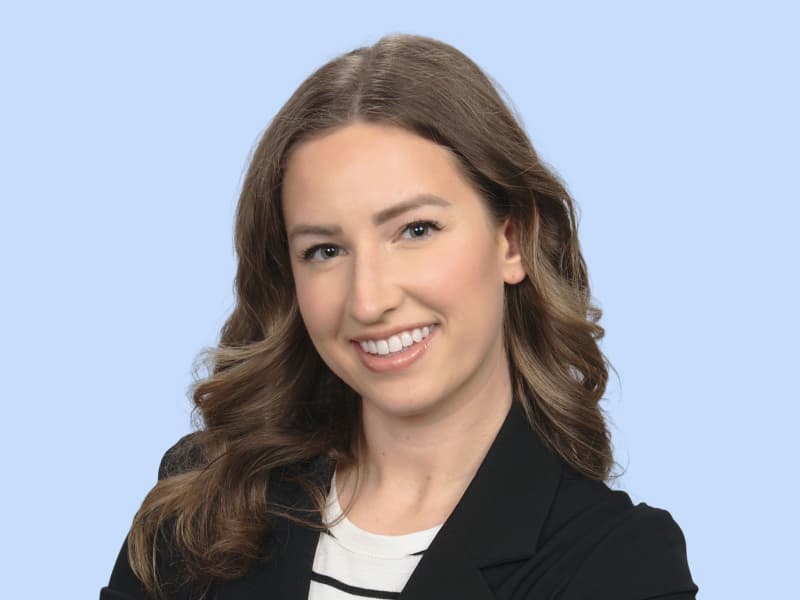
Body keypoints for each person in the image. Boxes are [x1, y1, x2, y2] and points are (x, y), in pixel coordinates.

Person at [101, 33, 698, 599]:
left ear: (511, 240)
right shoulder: (201, 499)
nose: (368, 300)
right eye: (325, 250)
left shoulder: (618, 563)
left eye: (416, 230)